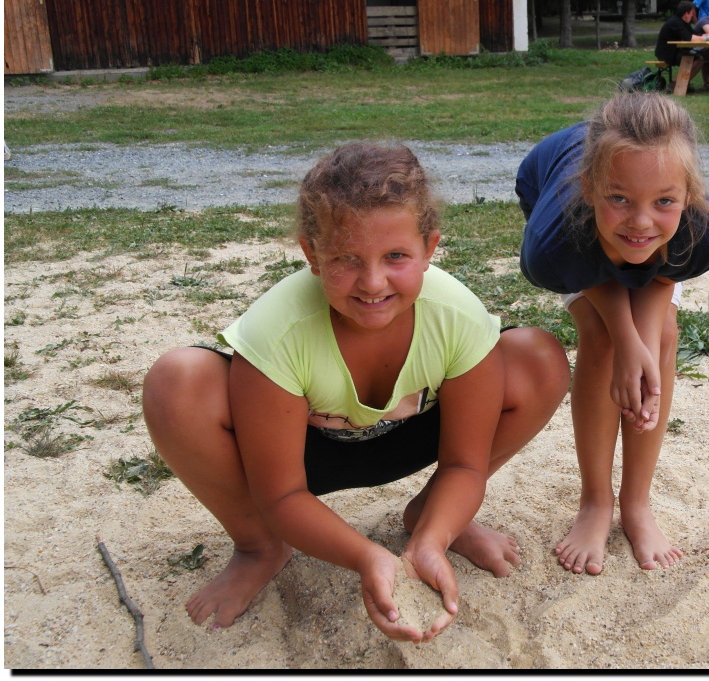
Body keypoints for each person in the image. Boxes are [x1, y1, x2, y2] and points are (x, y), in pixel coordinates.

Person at [142, 143, 570, 643]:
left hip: (414, 437)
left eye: (395, 256)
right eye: (346, 258)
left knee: (536, 357)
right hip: (293, 463)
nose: (372, 282)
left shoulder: (456, 316)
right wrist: (369, 557)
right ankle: (260, 547)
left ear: (430, 248)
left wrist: (431, 543)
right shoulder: (279, 330)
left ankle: (434, 518)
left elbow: (465, 465)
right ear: (312, 255)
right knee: (178, 382)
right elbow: (282, 493)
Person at [514, 93, 709, 576]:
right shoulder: (551, 245)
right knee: (604, 338)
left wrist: (646, 346)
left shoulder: (706, 230)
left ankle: (637, 504)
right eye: (620, 198)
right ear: (592, 188)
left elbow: (660, 272)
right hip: (569, 220)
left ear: (689, 195)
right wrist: (625, 340)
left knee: (662, 336)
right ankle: (595, 501)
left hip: (628, 227)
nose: (640, 220)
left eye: (664, 201)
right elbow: (592, 275)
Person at [654, 1, 707, 93]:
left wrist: (703, 37)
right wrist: (706, 38)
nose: (692, 17)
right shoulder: (675, 22)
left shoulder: (683, 22)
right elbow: (689, 38)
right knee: (693, 59)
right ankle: (674, 85)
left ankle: (683, 84)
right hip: (666, 53)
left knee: (700, 59)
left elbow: (693, 34)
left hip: (676, 51)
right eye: (691, 14)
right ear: (686, 13)